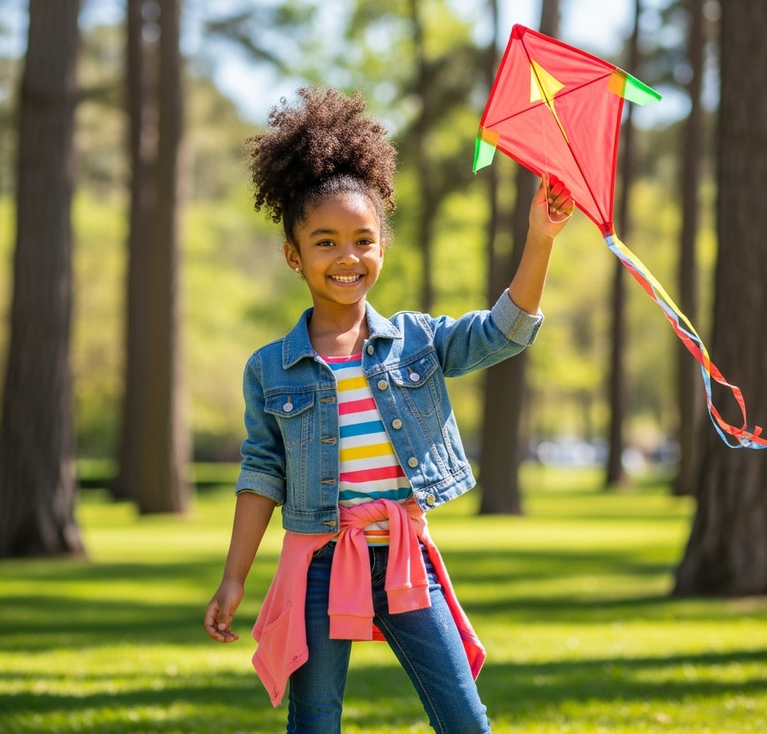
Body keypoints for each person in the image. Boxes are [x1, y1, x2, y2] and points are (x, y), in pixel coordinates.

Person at [204, 86, 573, 734]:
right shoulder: (269, 368)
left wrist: (540, 237)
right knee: (314, 720)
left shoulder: (417, 341)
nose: (347, 256)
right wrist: (234, 579)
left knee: (464, 717)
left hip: (406, 561)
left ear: (382, 246)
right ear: (295, 255)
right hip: (320, 563)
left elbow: (504, 332)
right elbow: (261, 475)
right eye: (325, 242)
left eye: (362, 240)